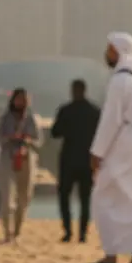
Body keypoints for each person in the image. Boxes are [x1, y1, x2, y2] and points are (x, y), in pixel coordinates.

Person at [88, 32, 132, 263]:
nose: (107, 53)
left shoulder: (120, 80)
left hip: (122, 141)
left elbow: (110, 120)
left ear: (119, 51)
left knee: (104, 195)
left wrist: (97, 152)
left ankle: (111, 254)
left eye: (110, 49)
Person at [51, 79, 100, 243]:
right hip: (87, 160)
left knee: (64, 196)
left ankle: (68, 231)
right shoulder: (94, 112)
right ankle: (82, 233)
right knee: (85, 199)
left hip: (68, 159)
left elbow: (55, 132)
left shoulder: (66, 110)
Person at [0, 88, 40, 244]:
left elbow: (38, 140)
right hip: (8, 158)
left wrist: (27, 141)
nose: (21, 102)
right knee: (7, 197)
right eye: (19, 98)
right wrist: (10, 138)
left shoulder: (31, 118)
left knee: (24, 197)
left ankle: (17, 232)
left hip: (26, 158)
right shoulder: (5, 118)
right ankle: (7, 233)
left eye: (25, 99)